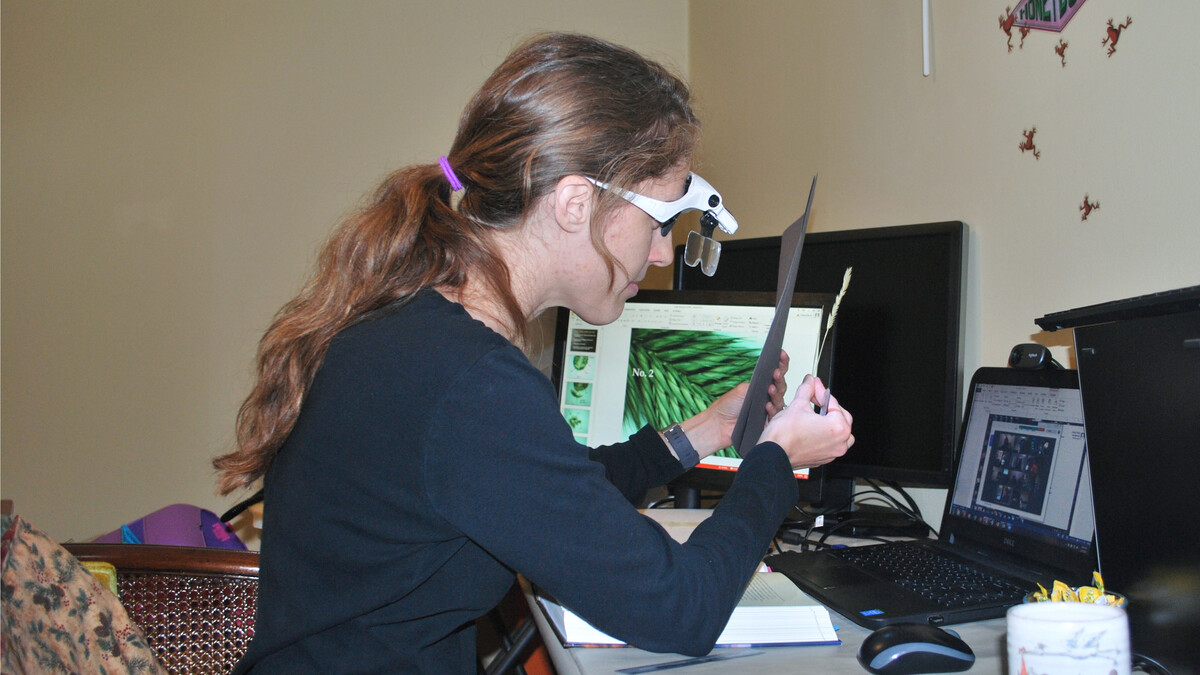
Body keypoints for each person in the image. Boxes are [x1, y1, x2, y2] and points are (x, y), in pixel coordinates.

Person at [213, 32, 853, 673]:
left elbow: (544, 485)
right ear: (577, 203)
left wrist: (708, 429)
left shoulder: (412, 330)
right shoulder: (470, 382)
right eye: (660, 221)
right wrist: (775, 460)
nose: (660, 253)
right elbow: (678, 608)